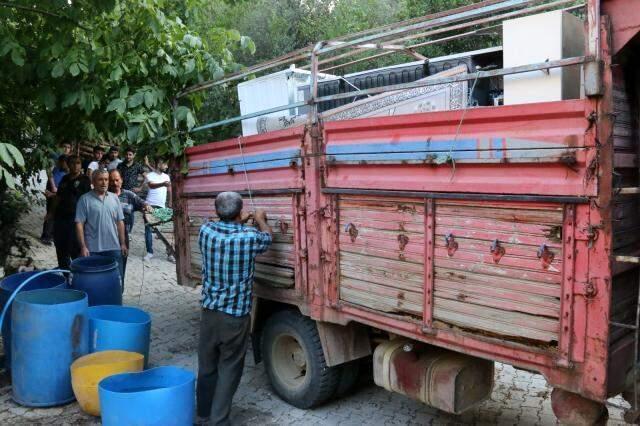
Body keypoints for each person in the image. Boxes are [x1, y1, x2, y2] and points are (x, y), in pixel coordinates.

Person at [196, 192, 272, 426]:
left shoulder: (205, 232)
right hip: (235, 317)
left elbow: (217, 224)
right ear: (240, 212)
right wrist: (259, 219)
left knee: (207, 365)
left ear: (218, 212)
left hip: (209, 313)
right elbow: (267, 238)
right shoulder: (249, 237)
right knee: (229, 367)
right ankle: (219, 420)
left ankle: (202, 414)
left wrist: (238, 219)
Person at [75, 169, 128, 290]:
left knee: (117, 284)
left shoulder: (114, 198)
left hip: (114, 249)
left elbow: (120, 222)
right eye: (100, 179)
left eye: (106, 179)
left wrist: (123, 243)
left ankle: (116, 305)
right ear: (93, 181)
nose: (104, 183)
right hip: (93, 250)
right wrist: (83, 246)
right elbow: (79, 224)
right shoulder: (85, 199)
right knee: (94, 285)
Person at [108, 169, 150, 291]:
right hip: (107, 235)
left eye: (117, 180)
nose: (115, 183)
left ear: (121, 180)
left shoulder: (128, 195)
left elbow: (142, 203)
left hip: (124, 236)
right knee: (108, 267)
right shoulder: (105, 195)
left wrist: (147, 206)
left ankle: (119, 293)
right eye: (112, 180)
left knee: (121, 268)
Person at [48, 155, 91, 269]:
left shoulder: (85, 180)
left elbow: (88, 201)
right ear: (67, 164)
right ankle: (65, 274)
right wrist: (51, 213)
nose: (75, 165)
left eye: (78, 163)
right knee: (60, 247)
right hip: (60, 218)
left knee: (75, 248)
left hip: (76, 220)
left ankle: (79, 275)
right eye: (72, 163)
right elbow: (58, 197)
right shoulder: (65, 179)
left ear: (81, 165)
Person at [143, 159, 171, 261]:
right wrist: (163, 184)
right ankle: (149, 252)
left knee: (166, 230)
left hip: (162, 206)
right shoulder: (149, 175)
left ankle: (170, 253)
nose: (167, 166)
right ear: (159, 163)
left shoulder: (167, 177)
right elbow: (151, 185)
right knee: (148, 229)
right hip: (150, 205)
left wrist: (170, 203)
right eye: (165, 163)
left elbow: (169, 190)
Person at [41, 155, 68, 245]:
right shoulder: (55, 169)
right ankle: (46, 236)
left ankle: (51, 235)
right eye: (65, 163)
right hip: (53, 194)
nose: (67, 165)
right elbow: (49, 173)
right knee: (50, 214)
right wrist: (53, 188)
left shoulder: (67, 172)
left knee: (56, 215)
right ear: (60, 162)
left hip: (58, 195)